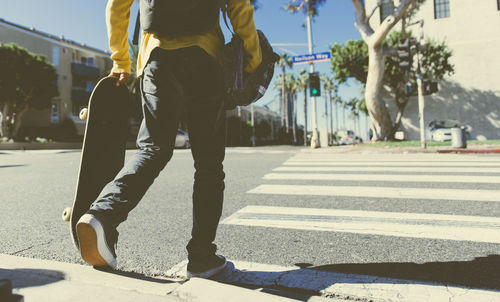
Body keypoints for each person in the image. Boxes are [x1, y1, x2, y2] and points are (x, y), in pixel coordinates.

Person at [76, 0, 262, 278]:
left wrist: (120, 60)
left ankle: (102, 215)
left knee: (153, 149)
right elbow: (240, 8)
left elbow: (116, 5)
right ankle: (202, 257)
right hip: (205, 58)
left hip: (157, 59)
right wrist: (253, 59)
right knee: (209, 164)